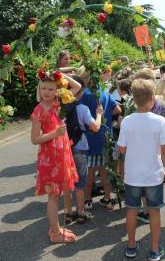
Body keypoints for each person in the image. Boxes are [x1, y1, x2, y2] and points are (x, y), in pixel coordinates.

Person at [117, 78, 165, 261]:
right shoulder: (160, 121)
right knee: (154, 211)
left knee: (132, 209)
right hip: (153, 174)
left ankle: (131, 246)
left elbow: (121, 149)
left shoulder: (127, 121)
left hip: (132, 175)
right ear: (152, 98)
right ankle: (154, 250)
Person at [30, 69, 81, 243]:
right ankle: (56, 234)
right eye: (43, 88)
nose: (46, 92)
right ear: (39, 89)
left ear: (57, 90)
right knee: (53, 197)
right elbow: (35, 139)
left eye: (51, 89)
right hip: (50, 157)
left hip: (62, 153)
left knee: (57, 195)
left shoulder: (59, 103)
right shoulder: (38, 110)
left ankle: (56, 229)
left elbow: (77, 86)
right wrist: (55, 133)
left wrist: (59, 75)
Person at [63, 75, 104, 224]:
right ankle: (81, 212)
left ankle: (68, 213)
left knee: (66, 182)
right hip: (79, 147)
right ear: (78, 92)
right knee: (80, 182)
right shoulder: (82, 108)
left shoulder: (59, 109)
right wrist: (98, 114)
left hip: (63, 149)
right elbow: (95, 127)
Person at [80, 73, 122, 210]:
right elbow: (118, 109)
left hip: (90, 136)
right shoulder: (104, 92)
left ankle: (87, 200)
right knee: (105, 170)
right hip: (105, 136)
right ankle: (108, 199)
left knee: (90, 170)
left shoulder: (84, 95)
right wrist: (108, 116)